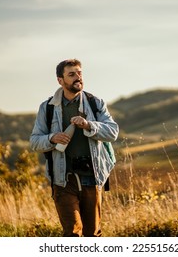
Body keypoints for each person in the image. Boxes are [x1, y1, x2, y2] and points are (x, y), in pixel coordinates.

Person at [30, 58, 119, 237]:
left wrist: (88, 125)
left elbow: (112, 132)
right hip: (63, 179)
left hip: (92, 177)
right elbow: (34, 141)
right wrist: (52, 138)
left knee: (92, 234)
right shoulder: (47, 108)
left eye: (79, 73)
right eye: (71, 74)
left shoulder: (96, 103)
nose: (78, 77)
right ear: (60, 81)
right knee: (71, 234)